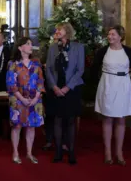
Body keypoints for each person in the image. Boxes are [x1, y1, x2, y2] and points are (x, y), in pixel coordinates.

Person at [92, 25, 131, 165]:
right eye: (109, 34)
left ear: (120, 36)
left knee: (121, 119)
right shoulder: (102, 51)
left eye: (113, 34)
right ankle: (107, 152)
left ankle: (119, 152)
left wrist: (127, 84)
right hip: (107, 85)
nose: (110, 37)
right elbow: (94, 69)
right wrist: (100, 85)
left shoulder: (129, 52)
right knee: (107, 119)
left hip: (123, 86)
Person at [45, 22, 84, 165]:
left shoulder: (78, 47)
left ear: (66, 31)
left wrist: (68, 87)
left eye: (59, 29)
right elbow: (48, 68)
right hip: (56, 88)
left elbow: (80, 70)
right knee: (57, 119)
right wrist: (54, 87)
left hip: (71, 89)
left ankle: (72, 151)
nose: (57, 31)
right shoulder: (53, 47)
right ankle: (58, 152)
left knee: (71, 120)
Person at [7, 37, 44, 164]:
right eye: (28, 44)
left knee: (31, 127)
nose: (30, 46)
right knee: (17, 127)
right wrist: (22, 98)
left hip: (34, 100)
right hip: (18, 100)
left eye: (31, 44)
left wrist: (36, 98)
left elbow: (40, 82)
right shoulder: (12, 64)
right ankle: (15, 153)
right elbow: (11, 85)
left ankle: (29, 153)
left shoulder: (36, 63)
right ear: (20, 47)